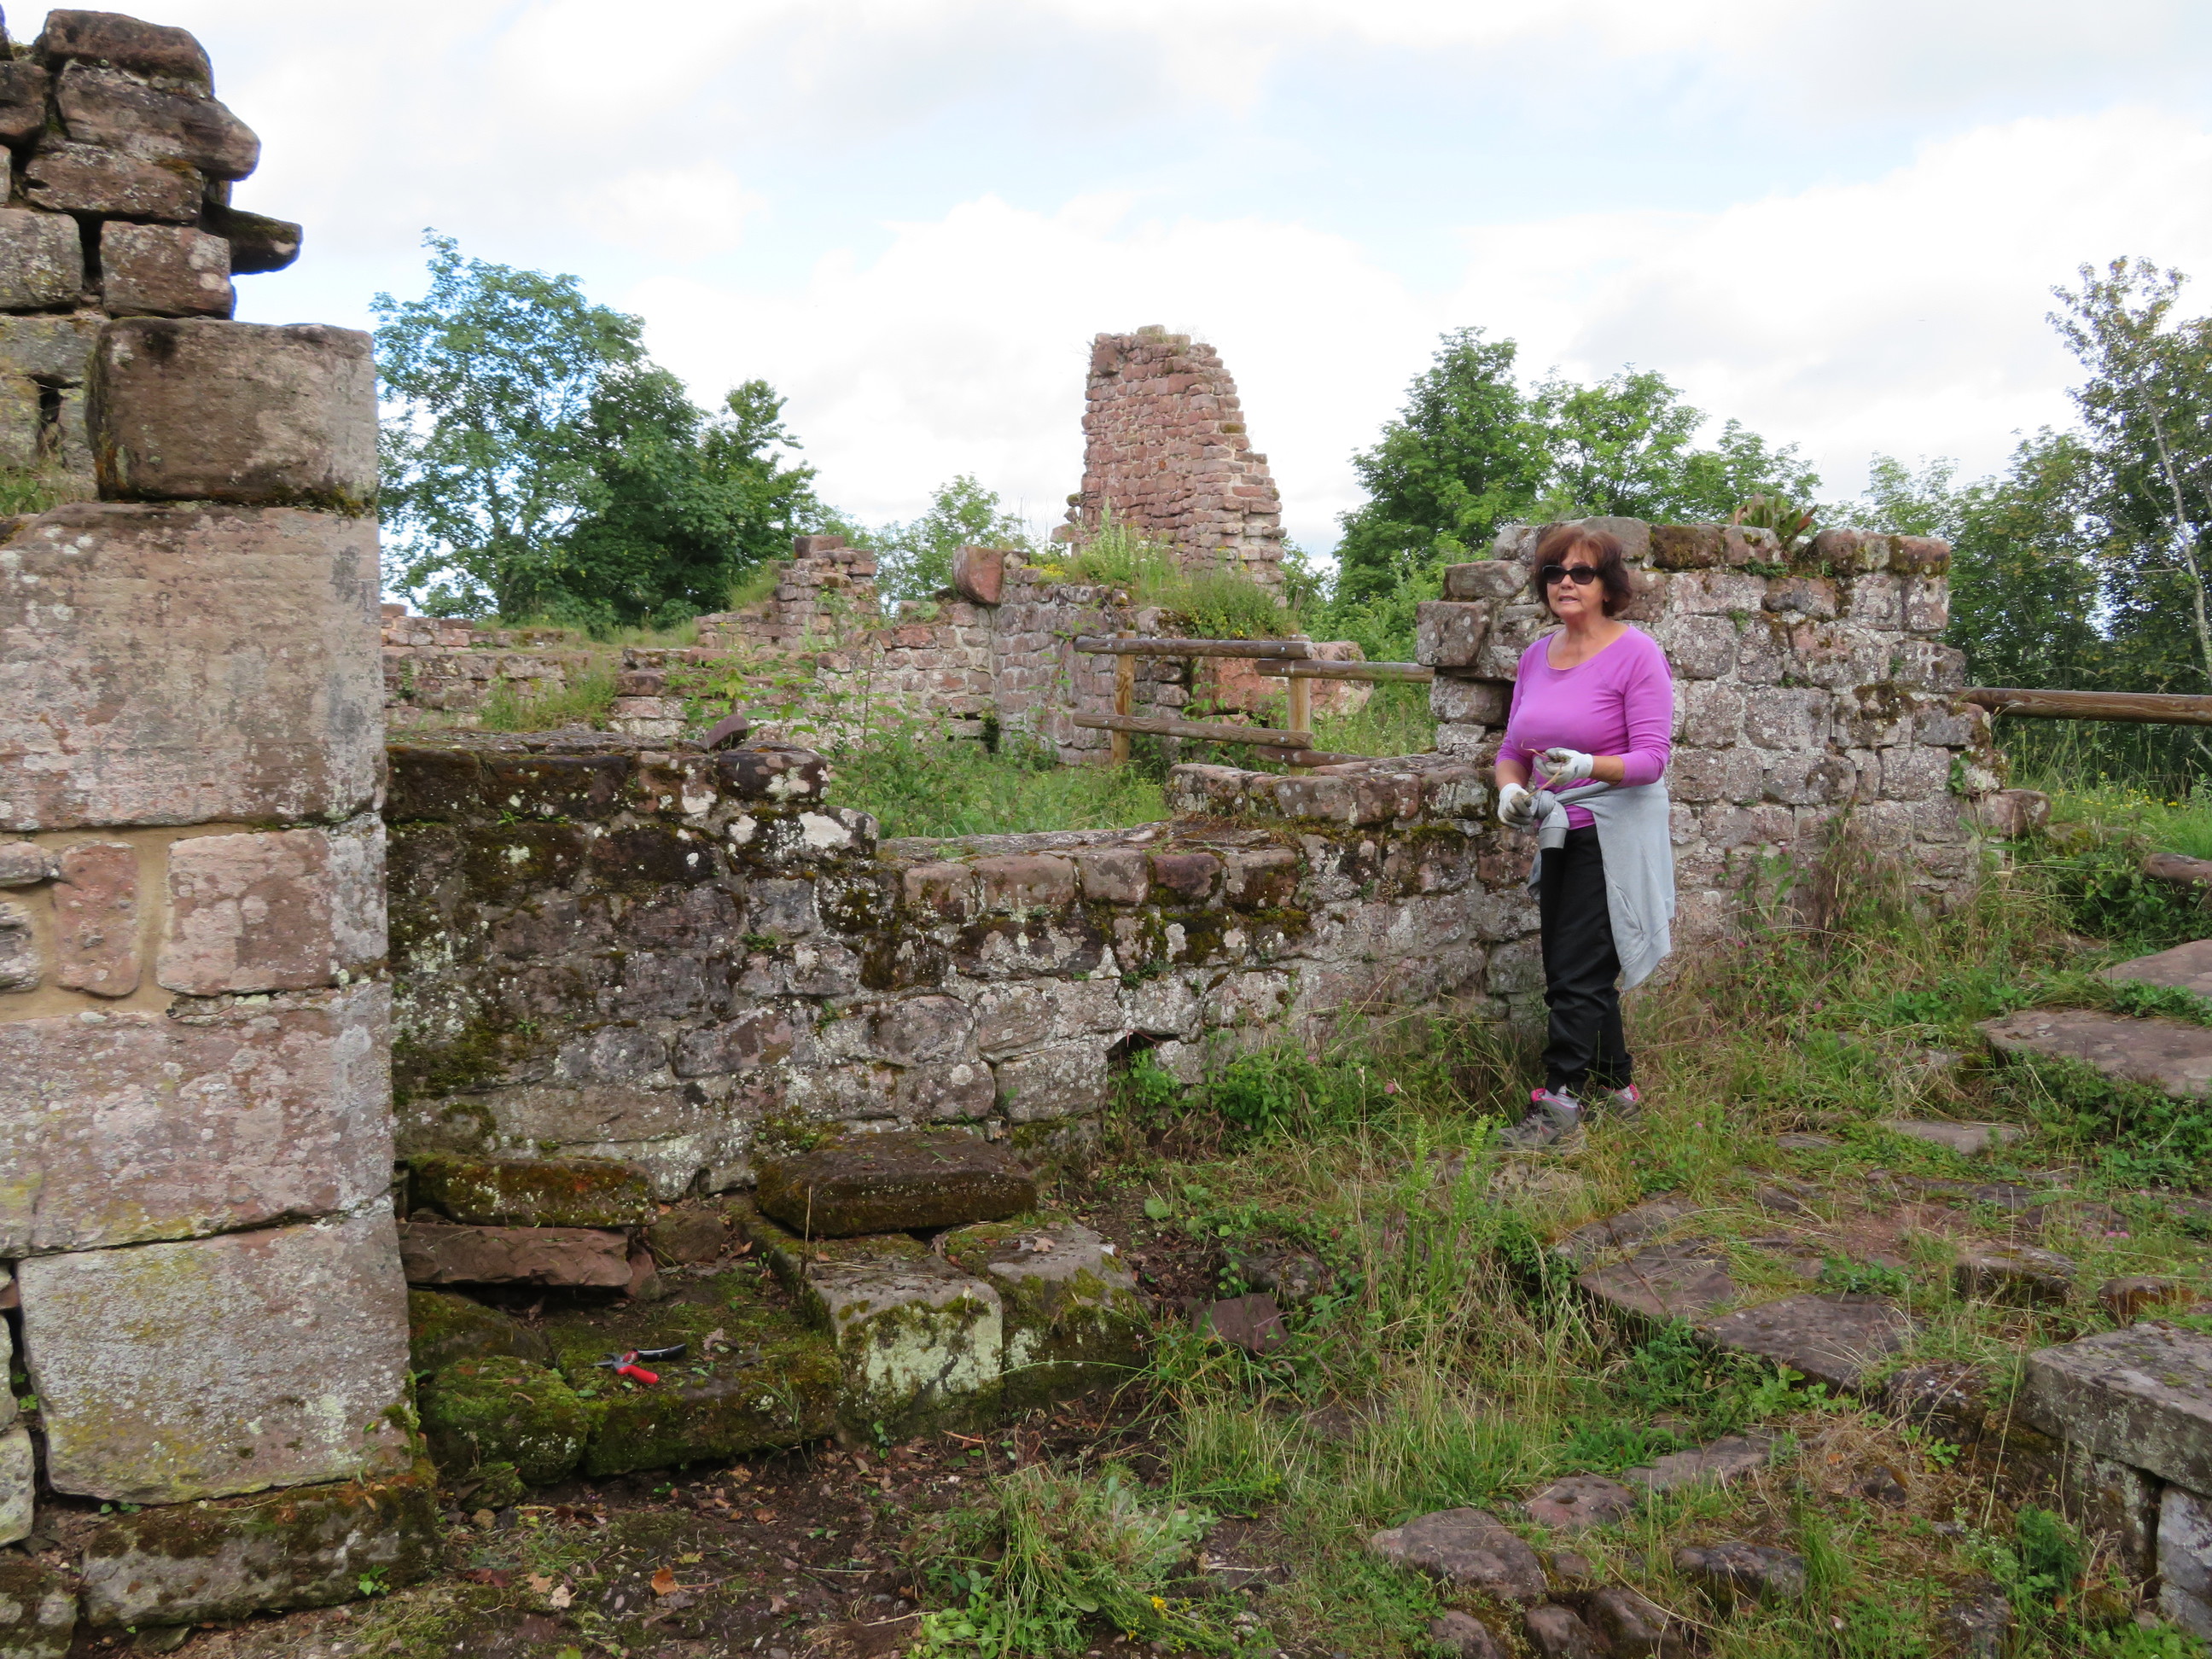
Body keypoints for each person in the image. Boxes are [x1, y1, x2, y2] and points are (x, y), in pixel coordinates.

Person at [1492, 523, 1676, 1148]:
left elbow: (1652, 758)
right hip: (1559, 829)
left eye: (1581, 573)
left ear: (1608, 585)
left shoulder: (1636, 654)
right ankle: (1618, 1091)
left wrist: (1589, 765)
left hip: (1614, 830)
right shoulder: (1535, 657)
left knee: (1575, 970)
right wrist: (1509, 791)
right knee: (1578, 964)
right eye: (1554, 572)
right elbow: (1513, 749)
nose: (1565, 583)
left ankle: (1559, 1106)